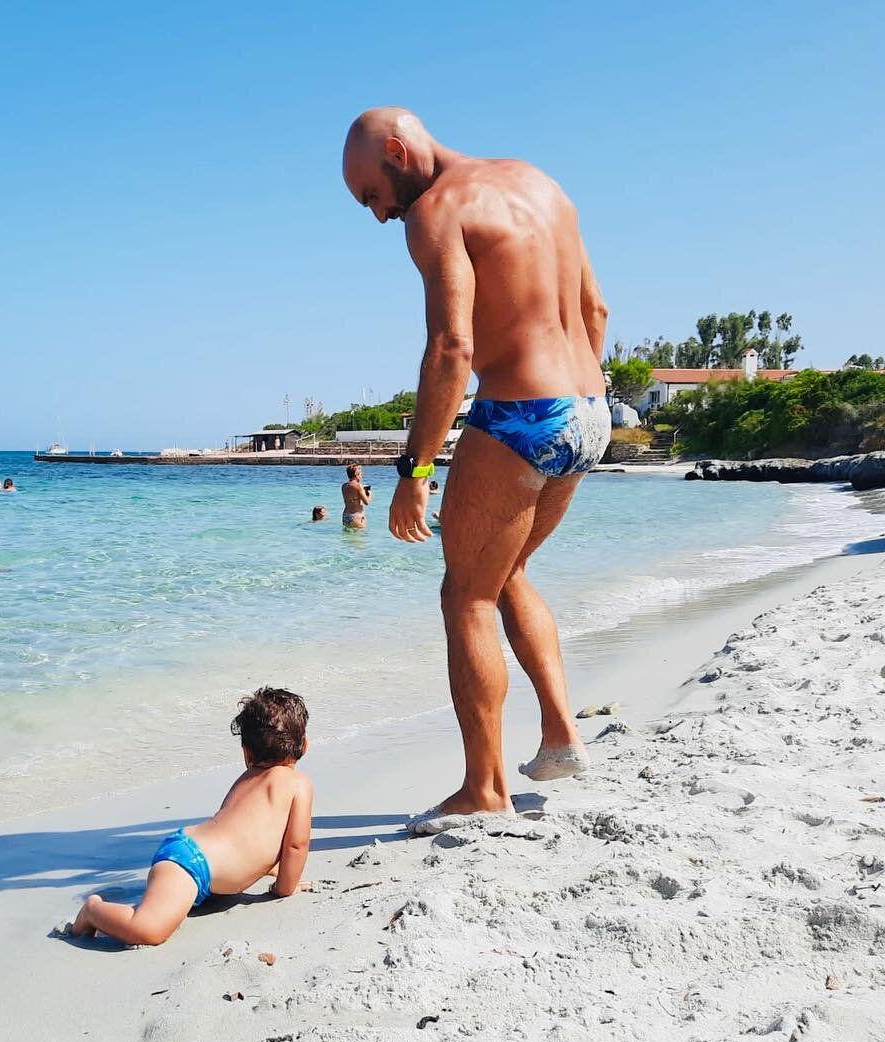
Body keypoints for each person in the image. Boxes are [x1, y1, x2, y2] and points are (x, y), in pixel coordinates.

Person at [342, 108, 610, 833]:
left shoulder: (436, 210)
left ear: (399, 152)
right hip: (590, 410)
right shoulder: (541, 184)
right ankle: (559, 736)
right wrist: (575, 392)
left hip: (522, 414)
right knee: (505, 570)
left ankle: (484, 788)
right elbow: (595, 307)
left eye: (371, 193)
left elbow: (452, 348)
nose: (378, 214)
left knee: (464, 595)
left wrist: (415, 468)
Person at [66, 687, 313, 946]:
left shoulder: (246, 779)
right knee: (149, 930)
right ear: (304, 746)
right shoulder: (298, 784)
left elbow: (238, 834)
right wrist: (284, 888)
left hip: (194, 856)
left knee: (162, 916)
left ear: (247, 753)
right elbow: (297, 845)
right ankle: (93, 911)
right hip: (190, 863)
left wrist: (267, 867)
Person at [340, 463, 370, 528]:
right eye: (361, 474)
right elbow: (366, 502)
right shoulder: (358, 486)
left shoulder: (344, 486)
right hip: (356, 516)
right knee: (358, 537)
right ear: (357, 475)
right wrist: (369, 493)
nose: (361, 476)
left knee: (347, 537)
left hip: (346, 515)